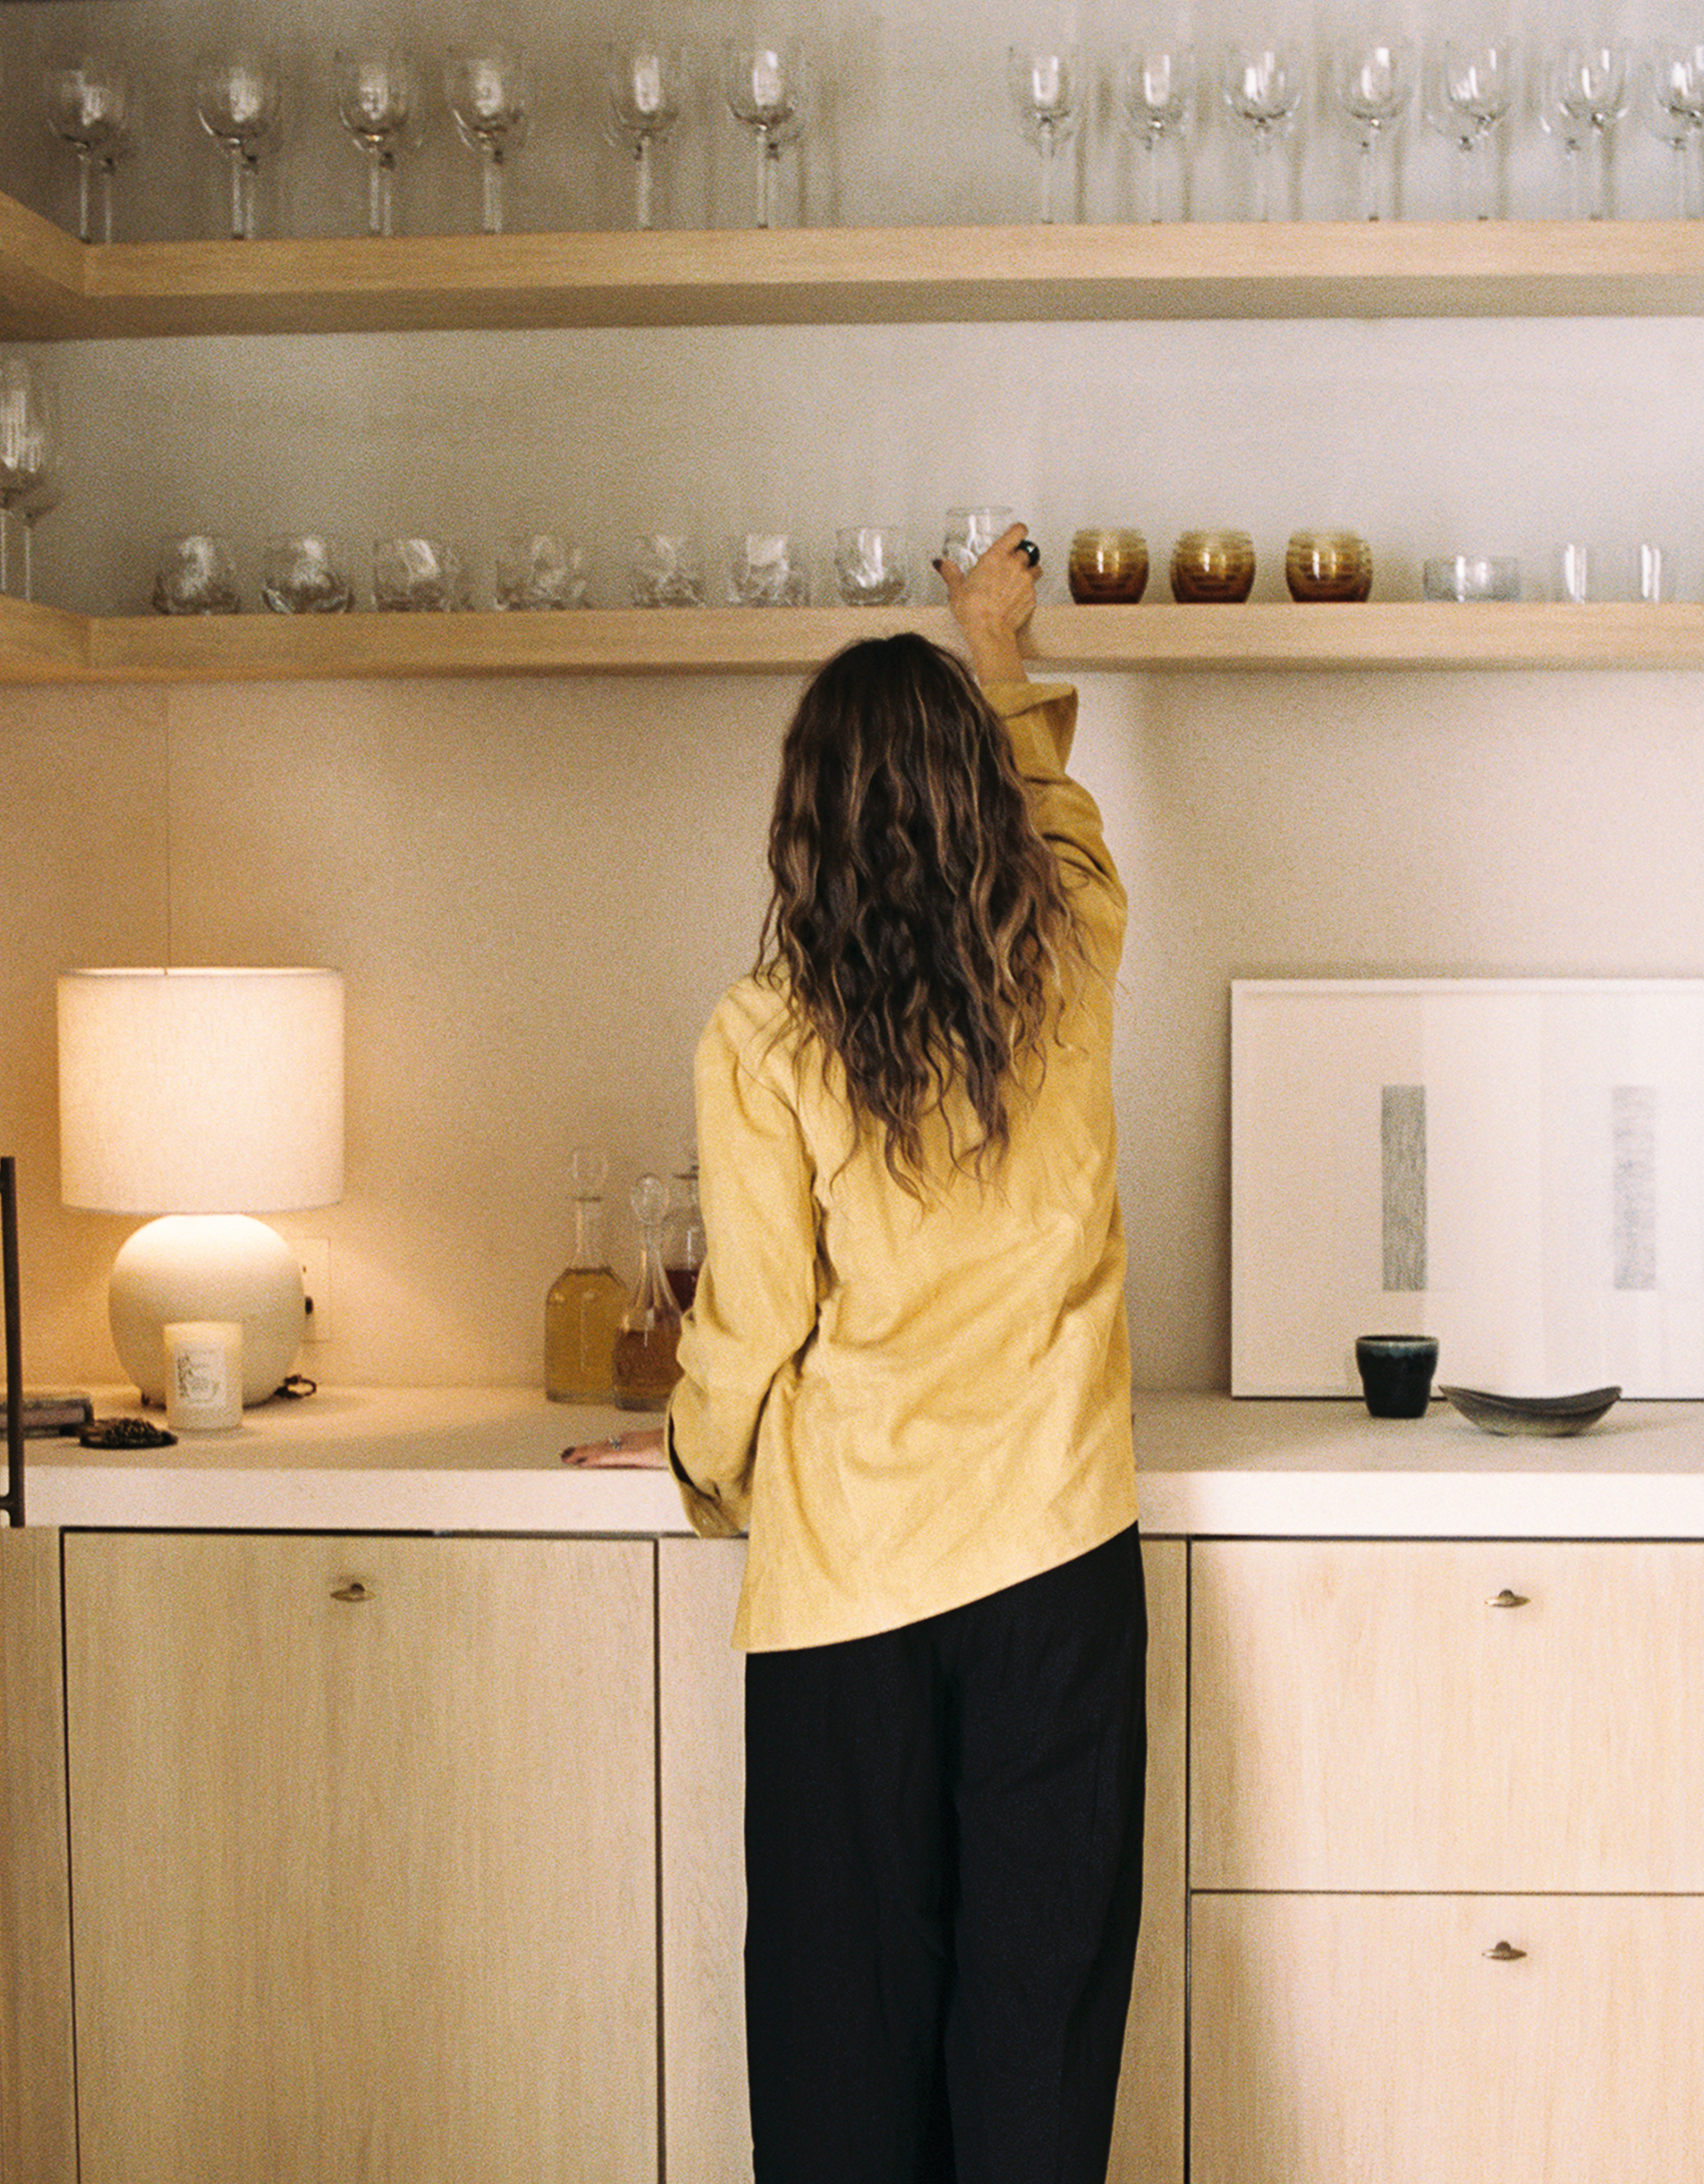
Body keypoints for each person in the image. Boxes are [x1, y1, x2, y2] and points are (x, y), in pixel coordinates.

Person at [581, 523, 1144, 2184]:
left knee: (846, 2044)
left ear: (802, 827)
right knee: (1032, 2028)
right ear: (979, 807)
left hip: (848, 1595)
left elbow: (753, 1323)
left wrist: (691, 1456)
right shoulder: (1081, 960)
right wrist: (995, 640)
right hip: (1055, 1565)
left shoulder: (761, 1033)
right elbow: (1054, 807)